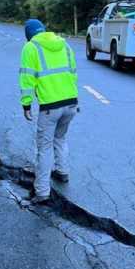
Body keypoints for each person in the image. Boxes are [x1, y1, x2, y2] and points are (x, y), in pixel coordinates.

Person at [19, 19, 79, 203]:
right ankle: (62, 172)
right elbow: (73, 73)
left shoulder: (30, 48)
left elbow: (27, 79)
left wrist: (26, 104)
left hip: (50, 108)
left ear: (29, 35)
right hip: (70, 104)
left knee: (44, 148)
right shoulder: (64, 45)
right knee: (60, 138)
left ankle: (42, 192)